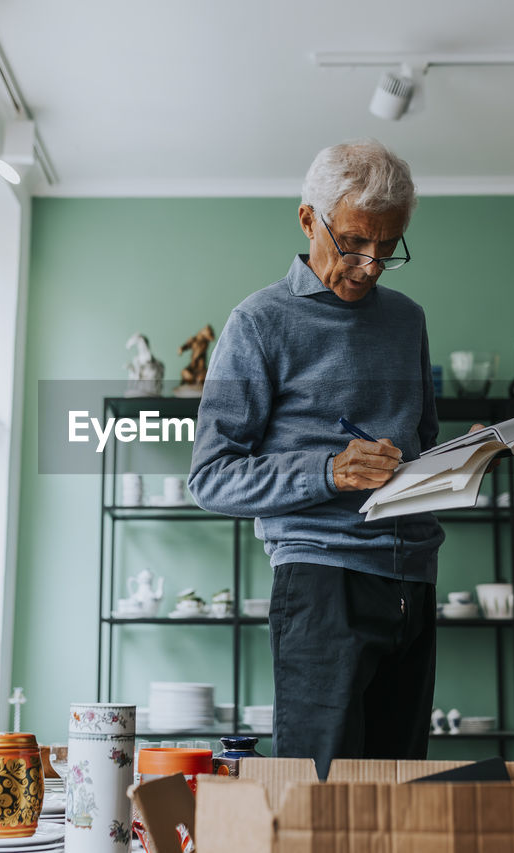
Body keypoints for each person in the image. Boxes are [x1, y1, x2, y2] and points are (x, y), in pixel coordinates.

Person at [188, 139, 446, 779]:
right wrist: (329, 470)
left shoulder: (408, 321)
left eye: (389, 248)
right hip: (321, 581)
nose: (371, 266)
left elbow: (424, 445)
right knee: (321, 792)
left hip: (413, 580)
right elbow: (210, 476)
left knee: (400, 790)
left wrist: (458, 468)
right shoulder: (258, 322)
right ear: (309, 221)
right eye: (357, 242)